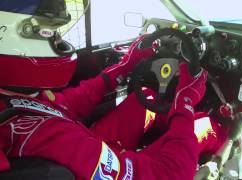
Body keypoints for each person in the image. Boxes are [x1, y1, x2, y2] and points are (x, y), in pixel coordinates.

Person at [0, 1, 228, 179]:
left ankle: (174, 127)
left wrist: (123, 67)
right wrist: (185, 101)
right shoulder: (55, 140)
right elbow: (172, 174)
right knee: (206, 126)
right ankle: (225, 135)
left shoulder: (11, 100)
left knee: (145, 98)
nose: (60, 39)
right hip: (91, 159)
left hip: (80, 141)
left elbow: (63, 104)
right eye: (51, 33)